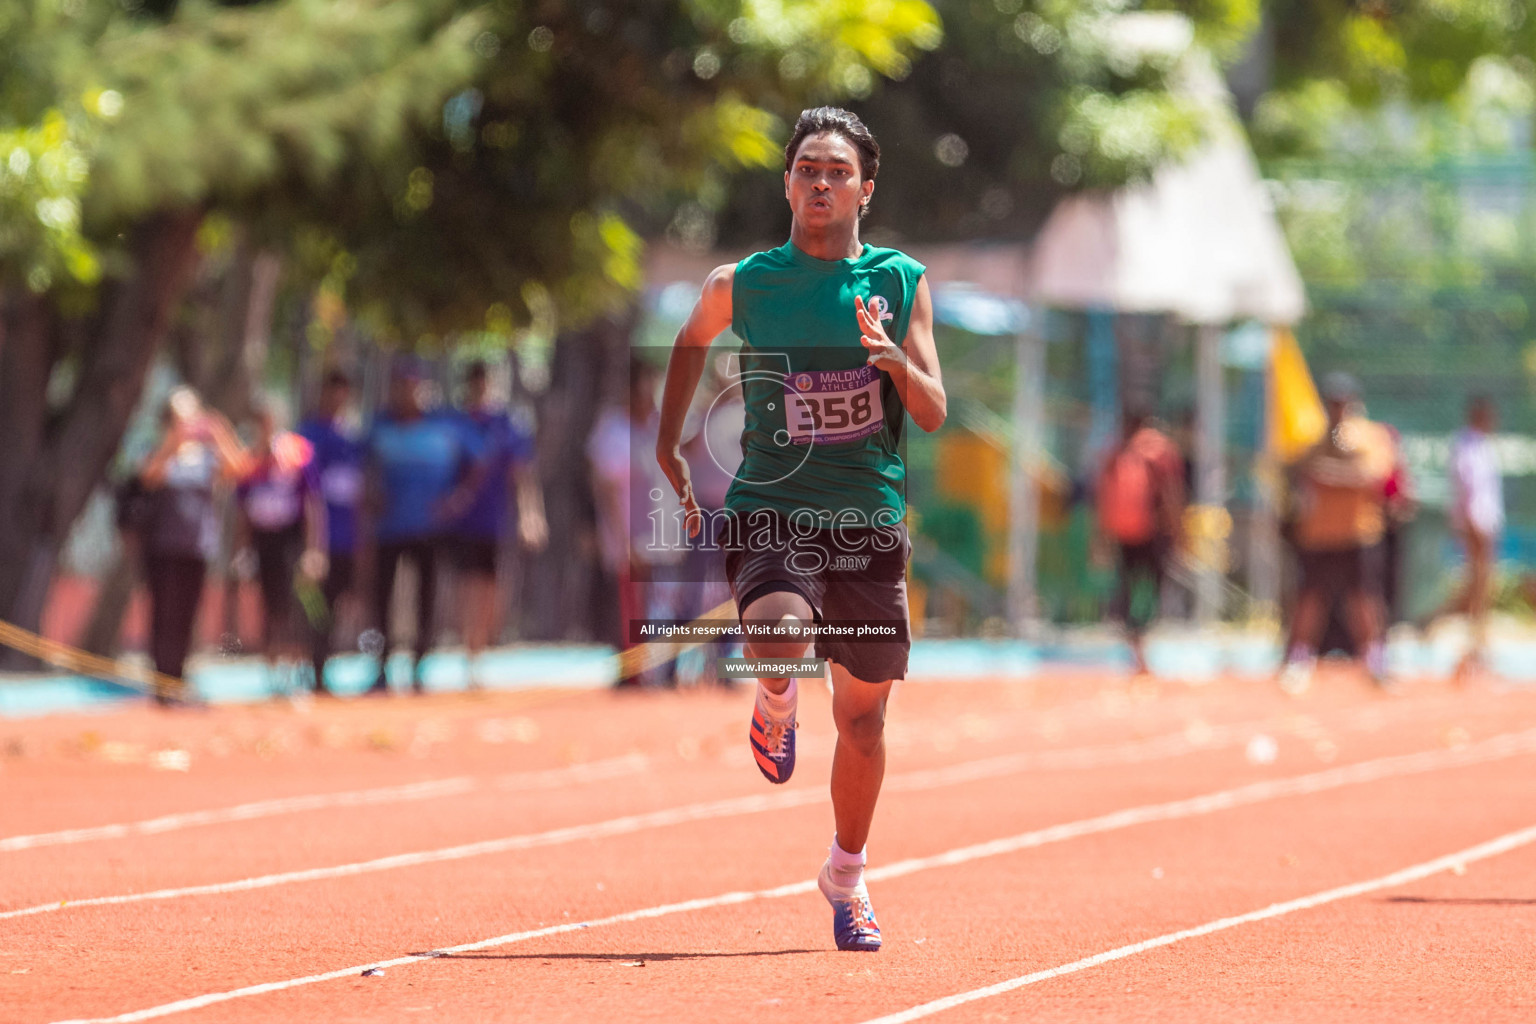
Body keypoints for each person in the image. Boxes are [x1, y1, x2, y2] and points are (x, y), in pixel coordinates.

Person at [655, 107, 946, 951]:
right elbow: (687, 342)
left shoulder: (900, 282)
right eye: (808, 169)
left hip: (867, 520)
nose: (822, 183)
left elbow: (931, 411)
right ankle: (776, 696)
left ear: (866, 187)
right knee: (779, 634)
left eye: (838, 171)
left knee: (862, 726)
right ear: (788, 182)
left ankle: (845, 876)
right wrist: (668, 440)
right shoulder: (743, 283)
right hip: (772, 506)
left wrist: (895, 362)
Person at [363, 359, 481, 695]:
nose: (407, 393)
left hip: (430, 528)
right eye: (400, 386)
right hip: (388, 528)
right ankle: (382, 667)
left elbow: (479, 463)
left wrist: (457, 499)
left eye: (413, 386)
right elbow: (362, 467)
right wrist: (372, 495)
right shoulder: (378, 426)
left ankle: (418, 667)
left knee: (425, 599)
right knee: (382, 599)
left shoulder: (445, 425)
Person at [1278, 373, 1396, 694]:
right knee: (1309, 600)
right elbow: (1300, 469)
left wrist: (1331, 475)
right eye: (1332, 402)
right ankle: (1299, 660)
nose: (1337, 408)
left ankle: (1374, 662)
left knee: (1363, 601)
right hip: (1318, 535)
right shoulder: (1315, 436)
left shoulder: (1370, 436)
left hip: (1357, 533)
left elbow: (1372, 476)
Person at [137, 387, 250, 704]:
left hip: (197, 547)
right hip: (163, 548)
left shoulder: (205, 456)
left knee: (187, 616)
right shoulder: (158, 451)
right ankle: (161, 682)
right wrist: (173, 442)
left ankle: (179, 679)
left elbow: (238, 469)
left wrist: (220, 433)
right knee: (164, 615)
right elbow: (149, 477)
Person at [451, 361, 547, 689]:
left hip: (496, 522)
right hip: (461, 523)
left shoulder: (507, 424)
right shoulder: (457, 423)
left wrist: (531, 515)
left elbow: (522, 474)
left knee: (492, 590)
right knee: (467, 588)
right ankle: (470, 655)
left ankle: (481, 648)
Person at [234, 402, 327, 696]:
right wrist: (242, 550)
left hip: (291, 539)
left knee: (294, 604)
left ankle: (294, 670)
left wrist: (315, 549)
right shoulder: (249, 460)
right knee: (269, 605)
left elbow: (313, 503)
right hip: (264, 540)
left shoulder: (298, 453)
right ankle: (273, 671)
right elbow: (243, 510)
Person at [1094, 407, 1185, 675]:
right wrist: (1179, 532)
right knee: (1152, 592)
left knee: (1128, 589)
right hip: (1154, 533)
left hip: (1124, 534)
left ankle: (1136, 647)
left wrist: (1101, 536)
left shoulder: (1116, 452)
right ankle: (1140, 646)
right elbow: (1172, 494)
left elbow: (1102, 499)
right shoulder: (1160, 452)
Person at [297, 369, 367, 695]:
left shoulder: (353, 439)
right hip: (315, 541)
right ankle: (312, 669)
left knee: (341, 604)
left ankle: (327, 667)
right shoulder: (307, 437)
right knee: (315, 607)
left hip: (348, 539)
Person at [1431, 395, 1504, 680]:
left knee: (1481, 584)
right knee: (1478, 582)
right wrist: (1473, 524)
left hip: (1485, 522)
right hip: (1477, 524)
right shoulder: (1466, 444)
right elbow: (1467, 488)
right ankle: (1473, 643)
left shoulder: (1483, 444)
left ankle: (1477, 642)